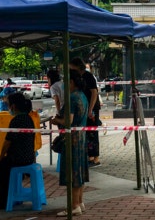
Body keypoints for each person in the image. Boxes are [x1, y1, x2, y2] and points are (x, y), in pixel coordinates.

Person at [0, 93, 36, 210]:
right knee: (1, 169)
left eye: (8, 105)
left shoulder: (16, 121)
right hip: (28, 157)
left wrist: (1, 156)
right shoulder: (28, 118)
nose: (8, 107)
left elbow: (7, 142)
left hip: (18, 159)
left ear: (14, 106)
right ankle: (7, 196)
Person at [51, 70, 89, 216]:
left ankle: (73, 206)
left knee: (72, 172)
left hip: (72, 139)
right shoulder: (82, 96)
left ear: (72, 82)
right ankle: (79, 202)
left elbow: (69, 120)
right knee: (79, 171)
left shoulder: (72, 97)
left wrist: (56, 121)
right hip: (81, 138)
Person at [69, 58, 102, 167]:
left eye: (71, 67)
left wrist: (90, 109)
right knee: (87, 132)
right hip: (85, 107)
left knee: (92, 132)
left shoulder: (88, 76)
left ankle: (95, 158)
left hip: (91, 109)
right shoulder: (80, 77)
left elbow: (94, 93)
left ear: (77, 66)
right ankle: (90, 156)